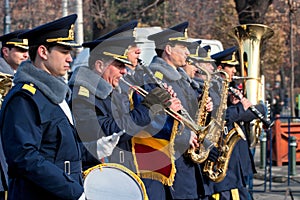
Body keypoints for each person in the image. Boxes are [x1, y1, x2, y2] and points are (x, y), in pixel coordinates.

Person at [0, 14, 122, 200]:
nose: (70, 59)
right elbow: (25, 158)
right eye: (64, 52)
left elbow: (59, 150)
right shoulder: (24, 98)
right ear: (43, 52)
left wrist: (93, 149)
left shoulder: (55, 94)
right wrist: (74, 192)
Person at [133, 21, 210, 200]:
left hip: (187, 161)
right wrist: (184, 137)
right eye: (183, 47)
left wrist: (203, 107)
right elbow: (152, 123)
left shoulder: (181, 79)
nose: (187, 53)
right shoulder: (155, 78)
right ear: (168, 49)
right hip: (172, 161)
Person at [206, 46, 267, 200]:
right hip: (225, 162)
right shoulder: (212, 89)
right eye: (231, 67)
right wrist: (241, 108)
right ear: (220, 68)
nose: (234, 71)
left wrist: (244, 107)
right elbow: (220, 116)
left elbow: (248, 112)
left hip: (239, 160)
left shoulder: (230, 89)